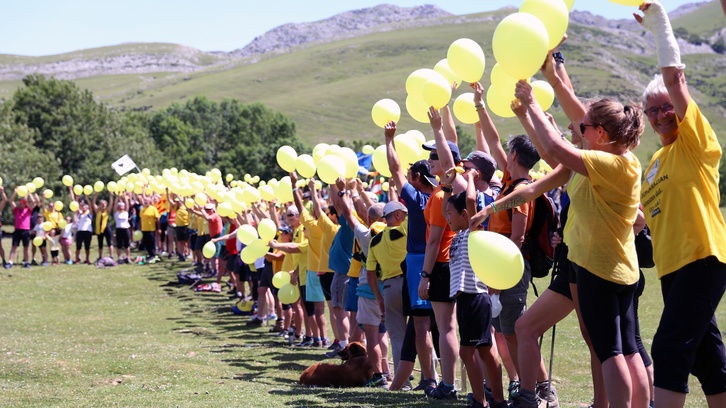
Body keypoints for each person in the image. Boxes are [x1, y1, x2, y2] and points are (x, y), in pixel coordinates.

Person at [473, 75, 648, 406]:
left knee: (610, 349)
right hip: (581, 264)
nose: (579, 131)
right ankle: (530, 396)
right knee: (599, 343)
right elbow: (539, 181)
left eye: (585, 128)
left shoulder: (610, 163)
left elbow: (555, 148)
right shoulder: (593, 161)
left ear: (601, 133)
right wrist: (491, 208)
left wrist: (533, 102)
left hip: (602, 267)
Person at [635, 2, 726, 407]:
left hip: (702, 257)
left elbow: (673, 78)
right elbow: (643, 217)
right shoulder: (653, 163)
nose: (659, 116)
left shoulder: (695, 141)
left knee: (670, 347)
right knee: (707, 358)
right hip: (671, 268)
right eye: (651, 111)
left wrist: (659, 26)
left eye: (665, 107)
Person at [445, 174, 507, 408]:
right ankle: (496, 400)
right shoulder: (459, 235)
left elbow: (471, 200)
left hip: (475, 298)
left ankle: (482, 400)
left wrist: (469, 177)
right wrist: (447, 185)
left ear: (464, 215)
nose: (447, 218)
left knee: (470, 351)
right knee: (484, 350)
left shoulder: (474, 231)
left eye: (451, 214)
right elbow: (448, 207)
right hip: (467, 301)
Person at [366, 200, 409, 388]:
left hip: (390, 288)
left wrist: (379, 298)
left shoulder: (374, 241)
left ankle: (403, 382)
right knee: (422, 332)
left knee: (397, 338)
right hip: (410, 284)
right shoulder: (404, 229)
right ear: (398, 216)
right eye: (404, 214)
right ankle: (429, 378)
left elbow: (370, 273)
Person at [7, 189, 32, 269]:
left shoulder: (28, 210)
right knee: (14, 246)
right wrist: (15, 192)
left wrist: (28, 193)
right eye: (19, 203)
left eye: (22, 204)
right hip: (17, 230)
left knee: (26, 247)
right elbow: (11, 201)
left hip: (26, 230)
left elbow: (33, 202)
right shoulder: (16, 210)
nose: (20, 204)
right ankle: (10, 262)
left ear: (25, 205)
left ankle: (26, 262)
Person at [91, 192, 115, 261]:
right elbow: (93, 204)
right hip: (99, 229)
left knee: (109, 242)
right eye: (102, 204)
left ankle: (111, 256)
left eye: (104, 204)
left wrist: (111, 196)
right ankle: (100, 256)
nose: (103, 205)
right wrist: (95, 196)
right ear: (99, 205)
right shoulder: (97, 211)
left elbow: (111, 204)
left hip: (106, 228)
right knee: (100, 244)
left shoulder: (107, 211)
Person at [112, 192, 131, 263]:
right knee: (119, 245)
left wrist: (125, 197)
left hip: (126, 229)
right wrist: (117, 197)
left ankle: (128, 257)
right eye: (119, 206)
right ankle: (119, 257)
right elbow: (114, 205)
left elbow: (127, 204)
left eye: (122, 206)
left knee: (127, 244)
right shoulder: (116, 213)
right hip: (119, 229)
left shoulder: (126, 212)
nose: (120, 207)